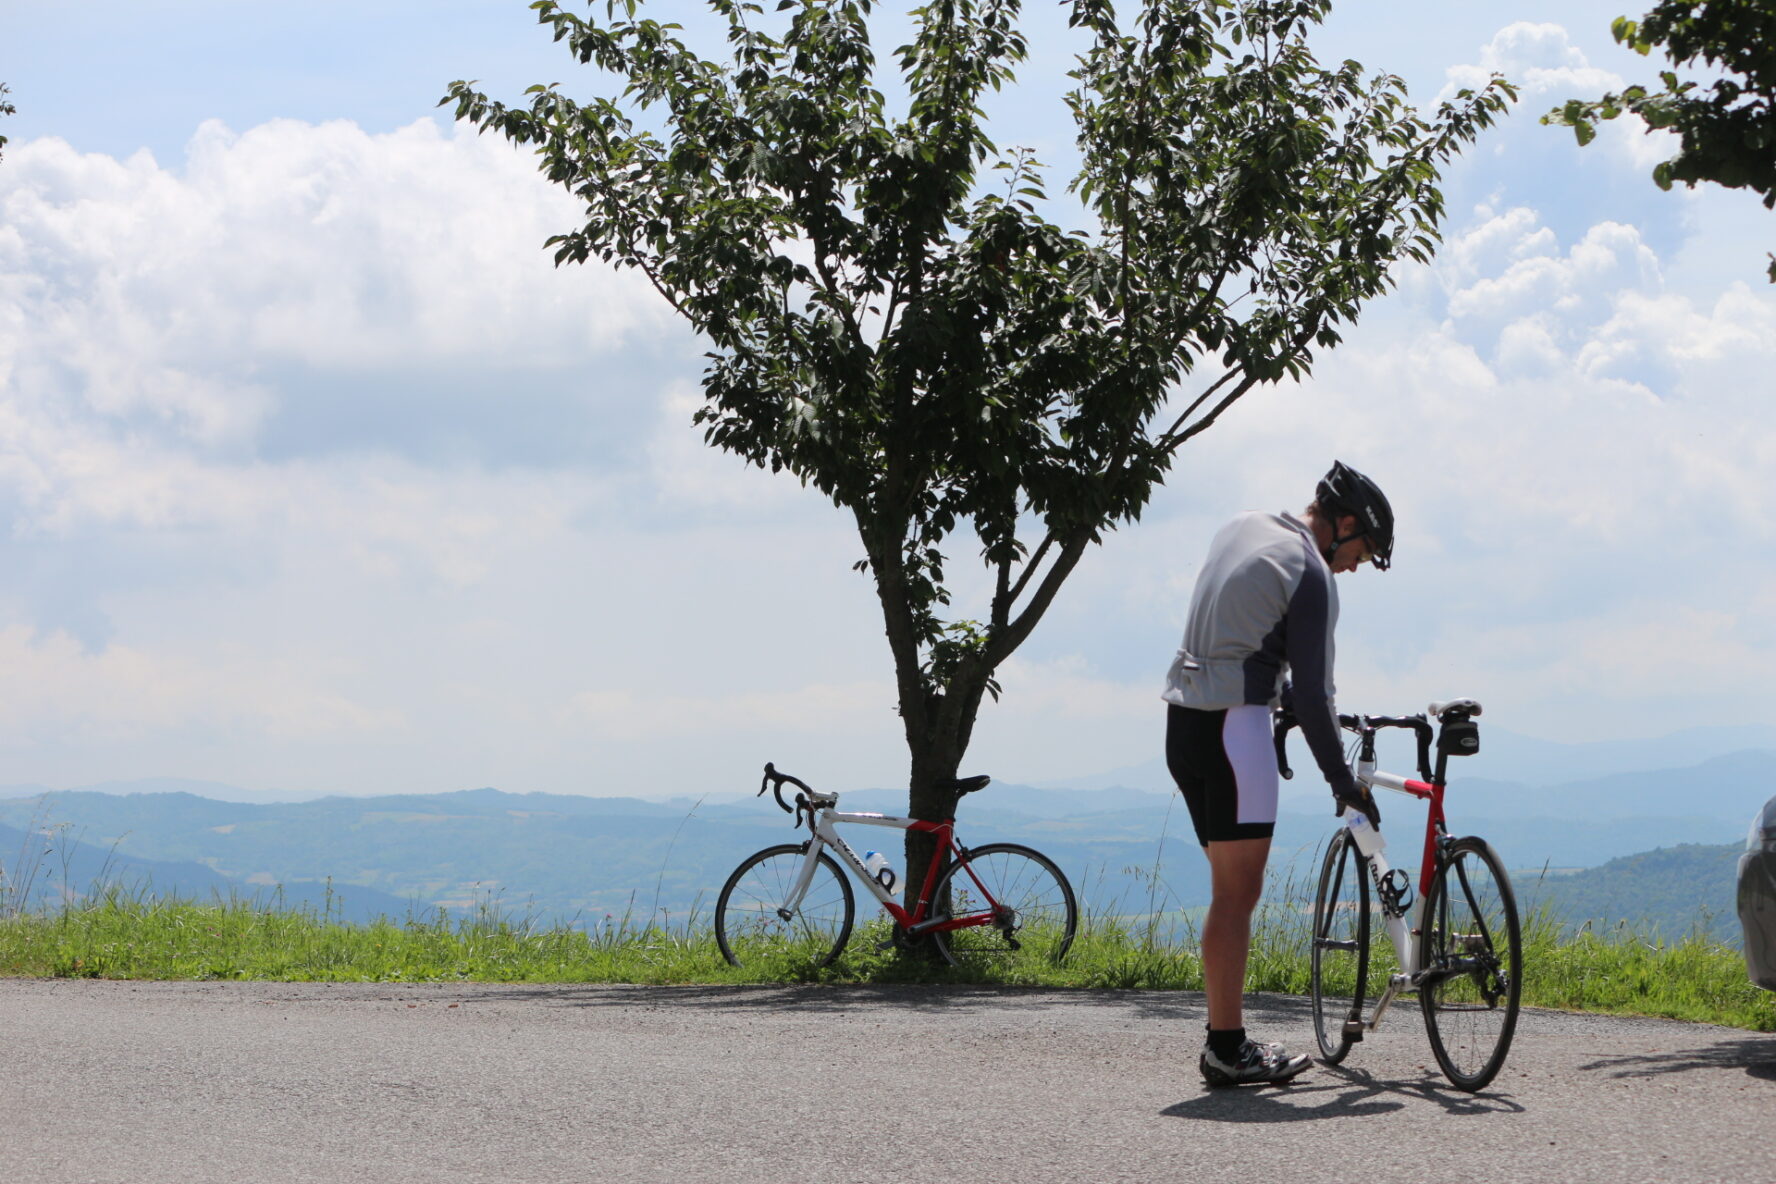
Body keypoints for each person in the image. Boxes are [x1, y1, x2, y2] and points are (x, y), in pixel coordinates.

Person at [1161, 461, 1392, 1087]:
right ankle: (1227, 1047)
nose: (1353, 567)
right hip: (1236, 733)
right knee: (1237, 898)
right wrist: (1344, 783)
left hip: (1183, 725)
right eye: (1361, 552)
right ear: (1343, 525)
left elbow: (1245, 630)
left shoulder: (1244, 525)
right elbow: (1315, 697)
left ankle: (1224, 1040)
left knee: (1225, 895)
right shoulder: (1312, 574)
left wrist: (1281, 696)